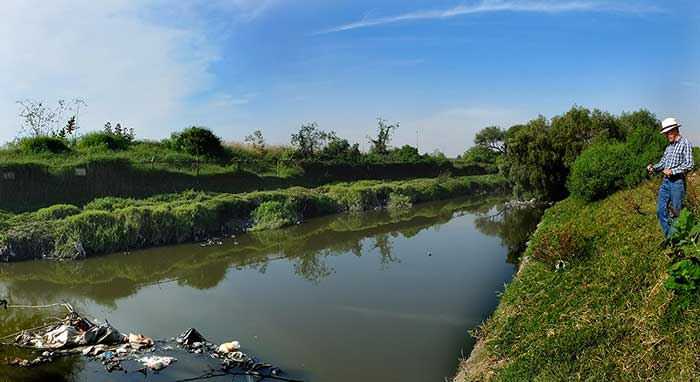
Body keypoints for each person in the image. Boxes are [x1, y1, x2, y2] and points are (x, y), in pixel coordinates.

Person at [646, 117, 694, 239]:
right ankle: (671, 238)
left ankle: (677, 240)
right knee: (660, 211)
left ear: (674, 130)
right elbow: (663, 163)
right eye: (666, 133)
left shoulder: (685, 144)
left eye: (668, 133)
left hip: (677, 183)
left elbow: (690, 164)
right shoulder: (669, 147)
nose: (667, 136)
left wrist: (673, 171)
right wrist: (653, 167)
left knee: (677, 213)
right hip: (665, 183)